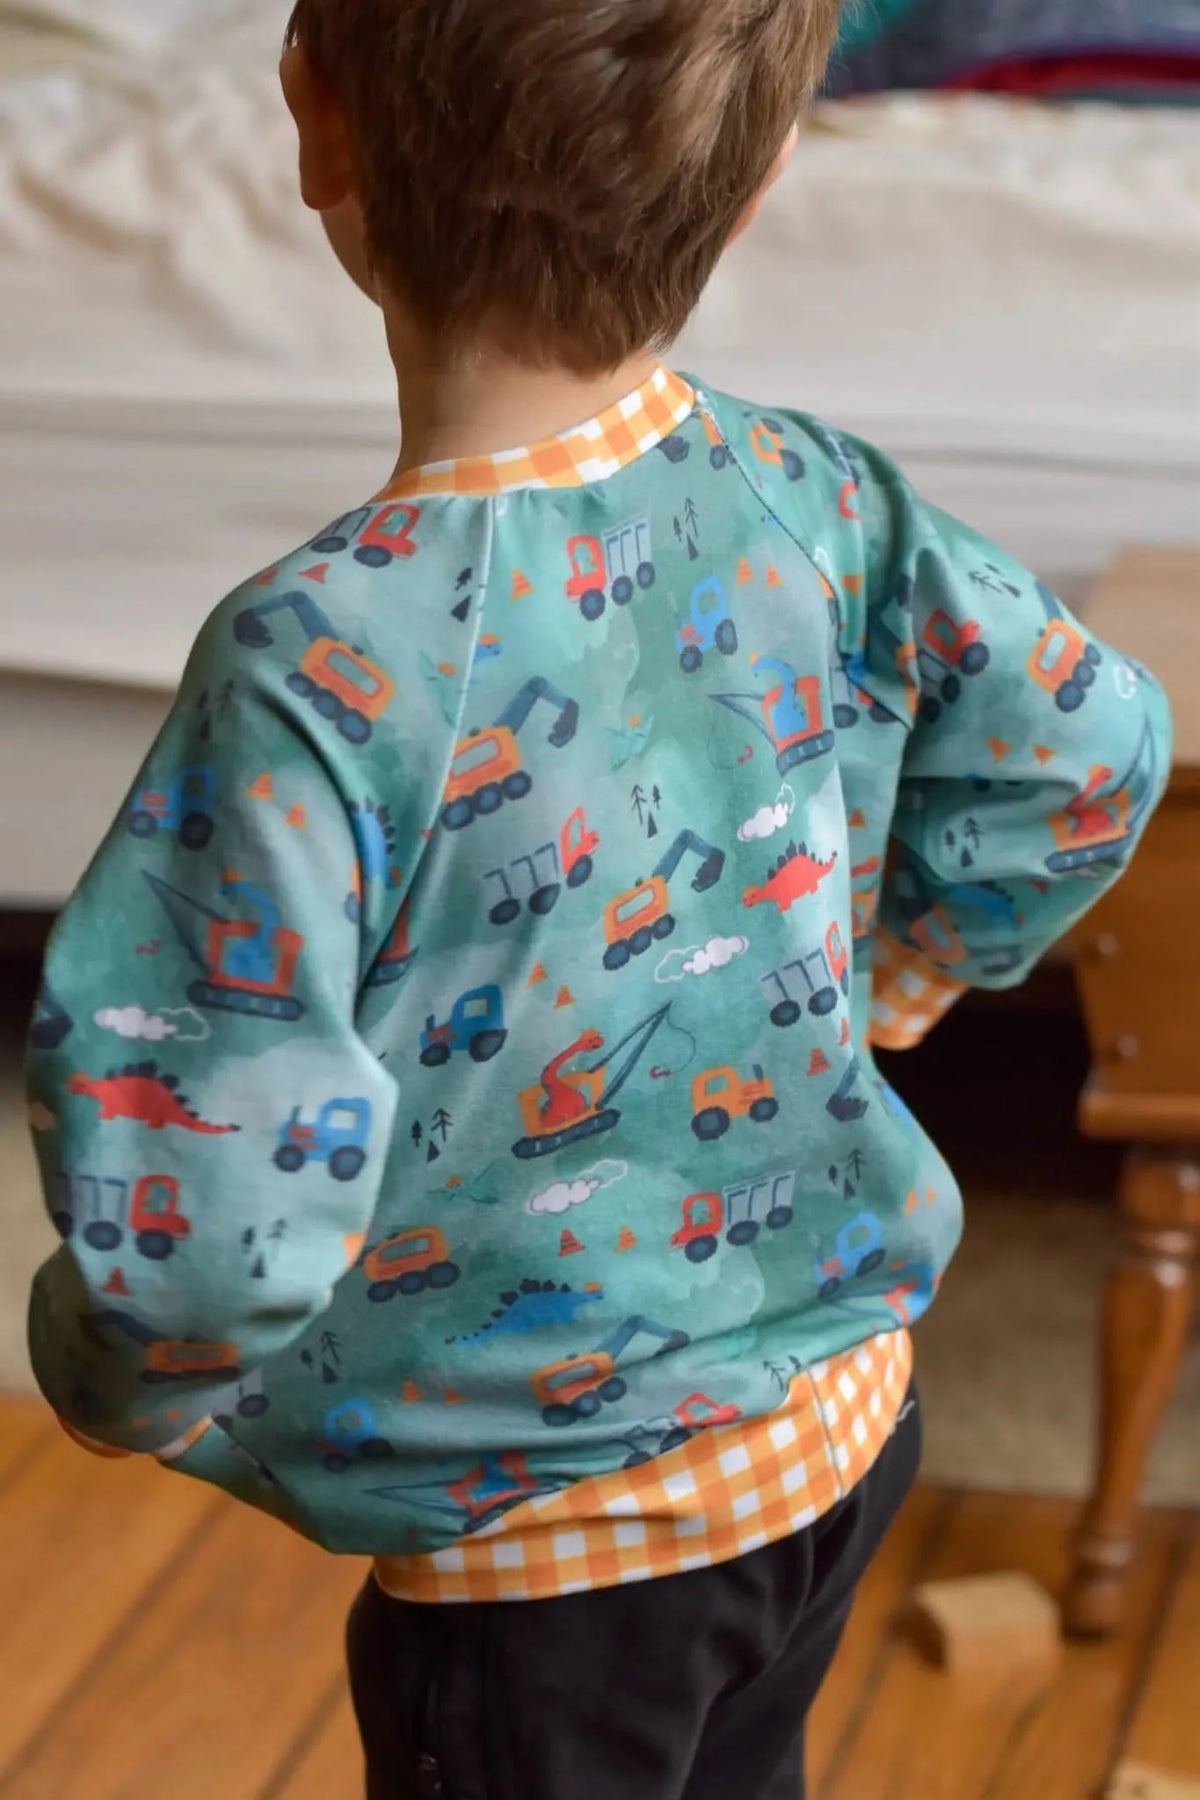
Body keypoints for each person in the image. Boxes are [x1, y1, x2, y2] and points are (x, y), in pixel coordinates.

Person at [26, 3, 1171, 1795]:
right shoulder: (815, 496)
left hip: (550, 1557)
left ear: (312, 117)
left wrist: (110, 1379)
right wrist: (909, 973)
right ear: (771, 165)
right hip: (836, 1431)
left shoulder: (316, 664)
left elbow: (205, 1209)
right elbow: (1090, 738)